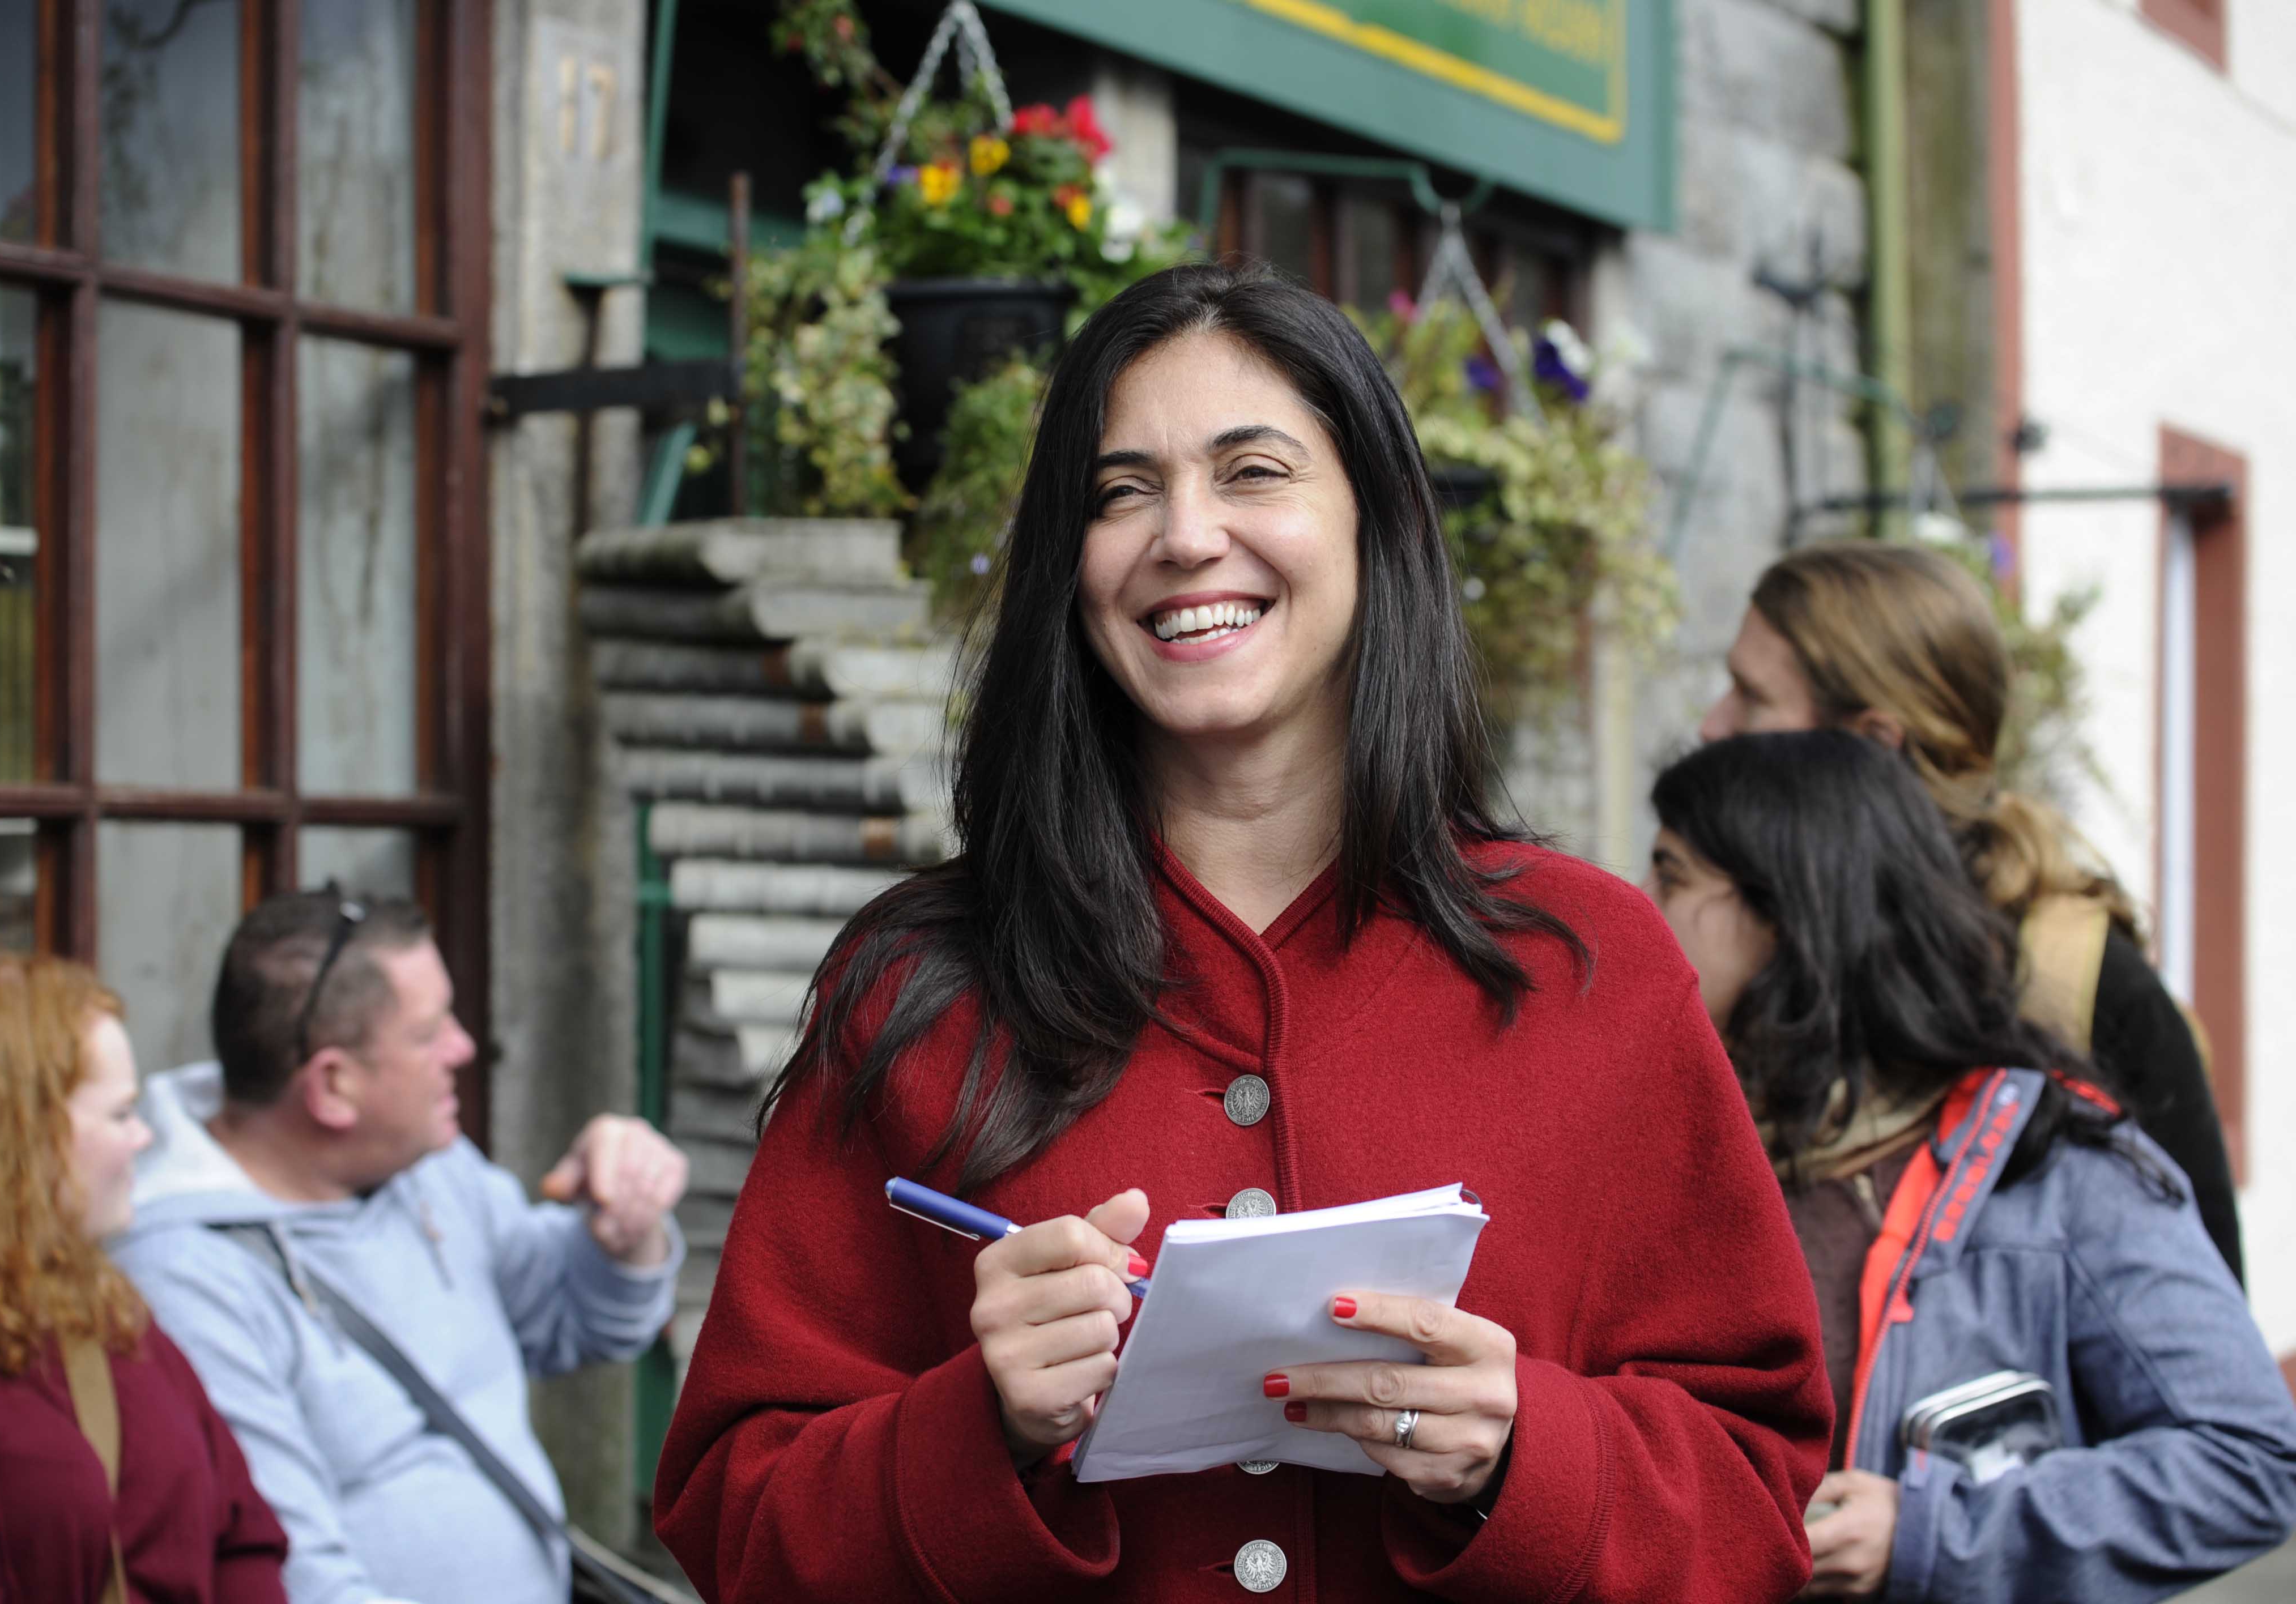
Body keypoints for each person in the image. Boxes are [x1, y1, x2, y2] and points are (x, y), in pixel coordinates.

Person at [655, 262, 1832, 1602]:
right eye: (1121, 491)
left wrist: (1524, 1453)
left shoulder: (1589, 964)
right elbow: (736, 1526)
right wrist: (974, 1427)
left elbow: (1762, 1488)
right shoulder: (920, 987)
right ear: (1069, 563)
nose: (1185, 534)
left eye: (1254, 471)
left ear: (1377, 522)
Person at [1644, 730, 2296, 1602]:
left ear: (1786, 912)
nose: (1638, 904)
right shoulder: (1663, 1158)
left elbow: (2249, 1462)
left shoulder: (2059, 1169)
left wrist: (1931, 1534)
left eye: (1671, 874)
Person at [108, 891, 691, 1604]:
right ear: (333, 1086)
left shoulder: (427, 1165)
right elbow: (292, 1576)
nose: (464, 1047)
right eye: (428, 1032)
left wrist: (626, 1231)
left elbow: (582, 1324)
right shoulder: (186, 1277)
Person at [1698, 539, 2244, 1281]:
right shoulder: (1744, 934)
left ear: (1874, 745)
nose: (1712, 725)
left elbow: (2204, 1322)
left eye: (1752, 697)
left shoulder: (2086, 983)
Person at [0, 955, 289, 1603]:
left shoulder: (101, 1303)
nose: (143, 1137)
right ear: (21, 1134)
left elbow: (243, 1535)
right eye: (120, 1113)